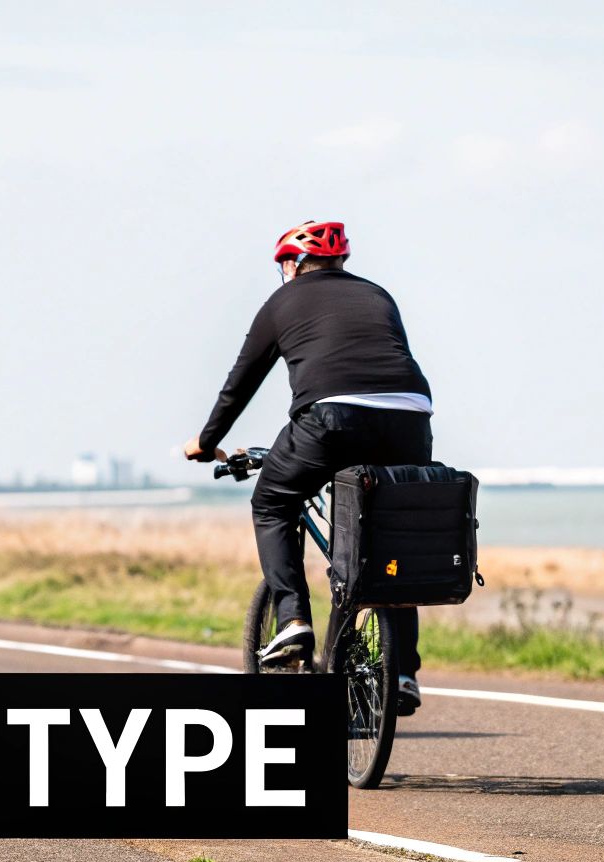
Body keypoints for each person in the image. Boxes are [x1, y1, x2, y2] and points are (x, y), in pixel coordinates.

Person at [185, 220, 436, 714]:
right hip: (410, 418)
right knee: (390, 544)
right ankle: (403, 671)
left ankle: (294, 622)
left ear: (290, 265)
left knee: (273, 503)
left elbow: (242, 382)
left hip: (332, 418)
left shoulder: (282, 303)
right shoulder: (378, 295)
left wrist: (206, 442)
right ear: (340, 261)